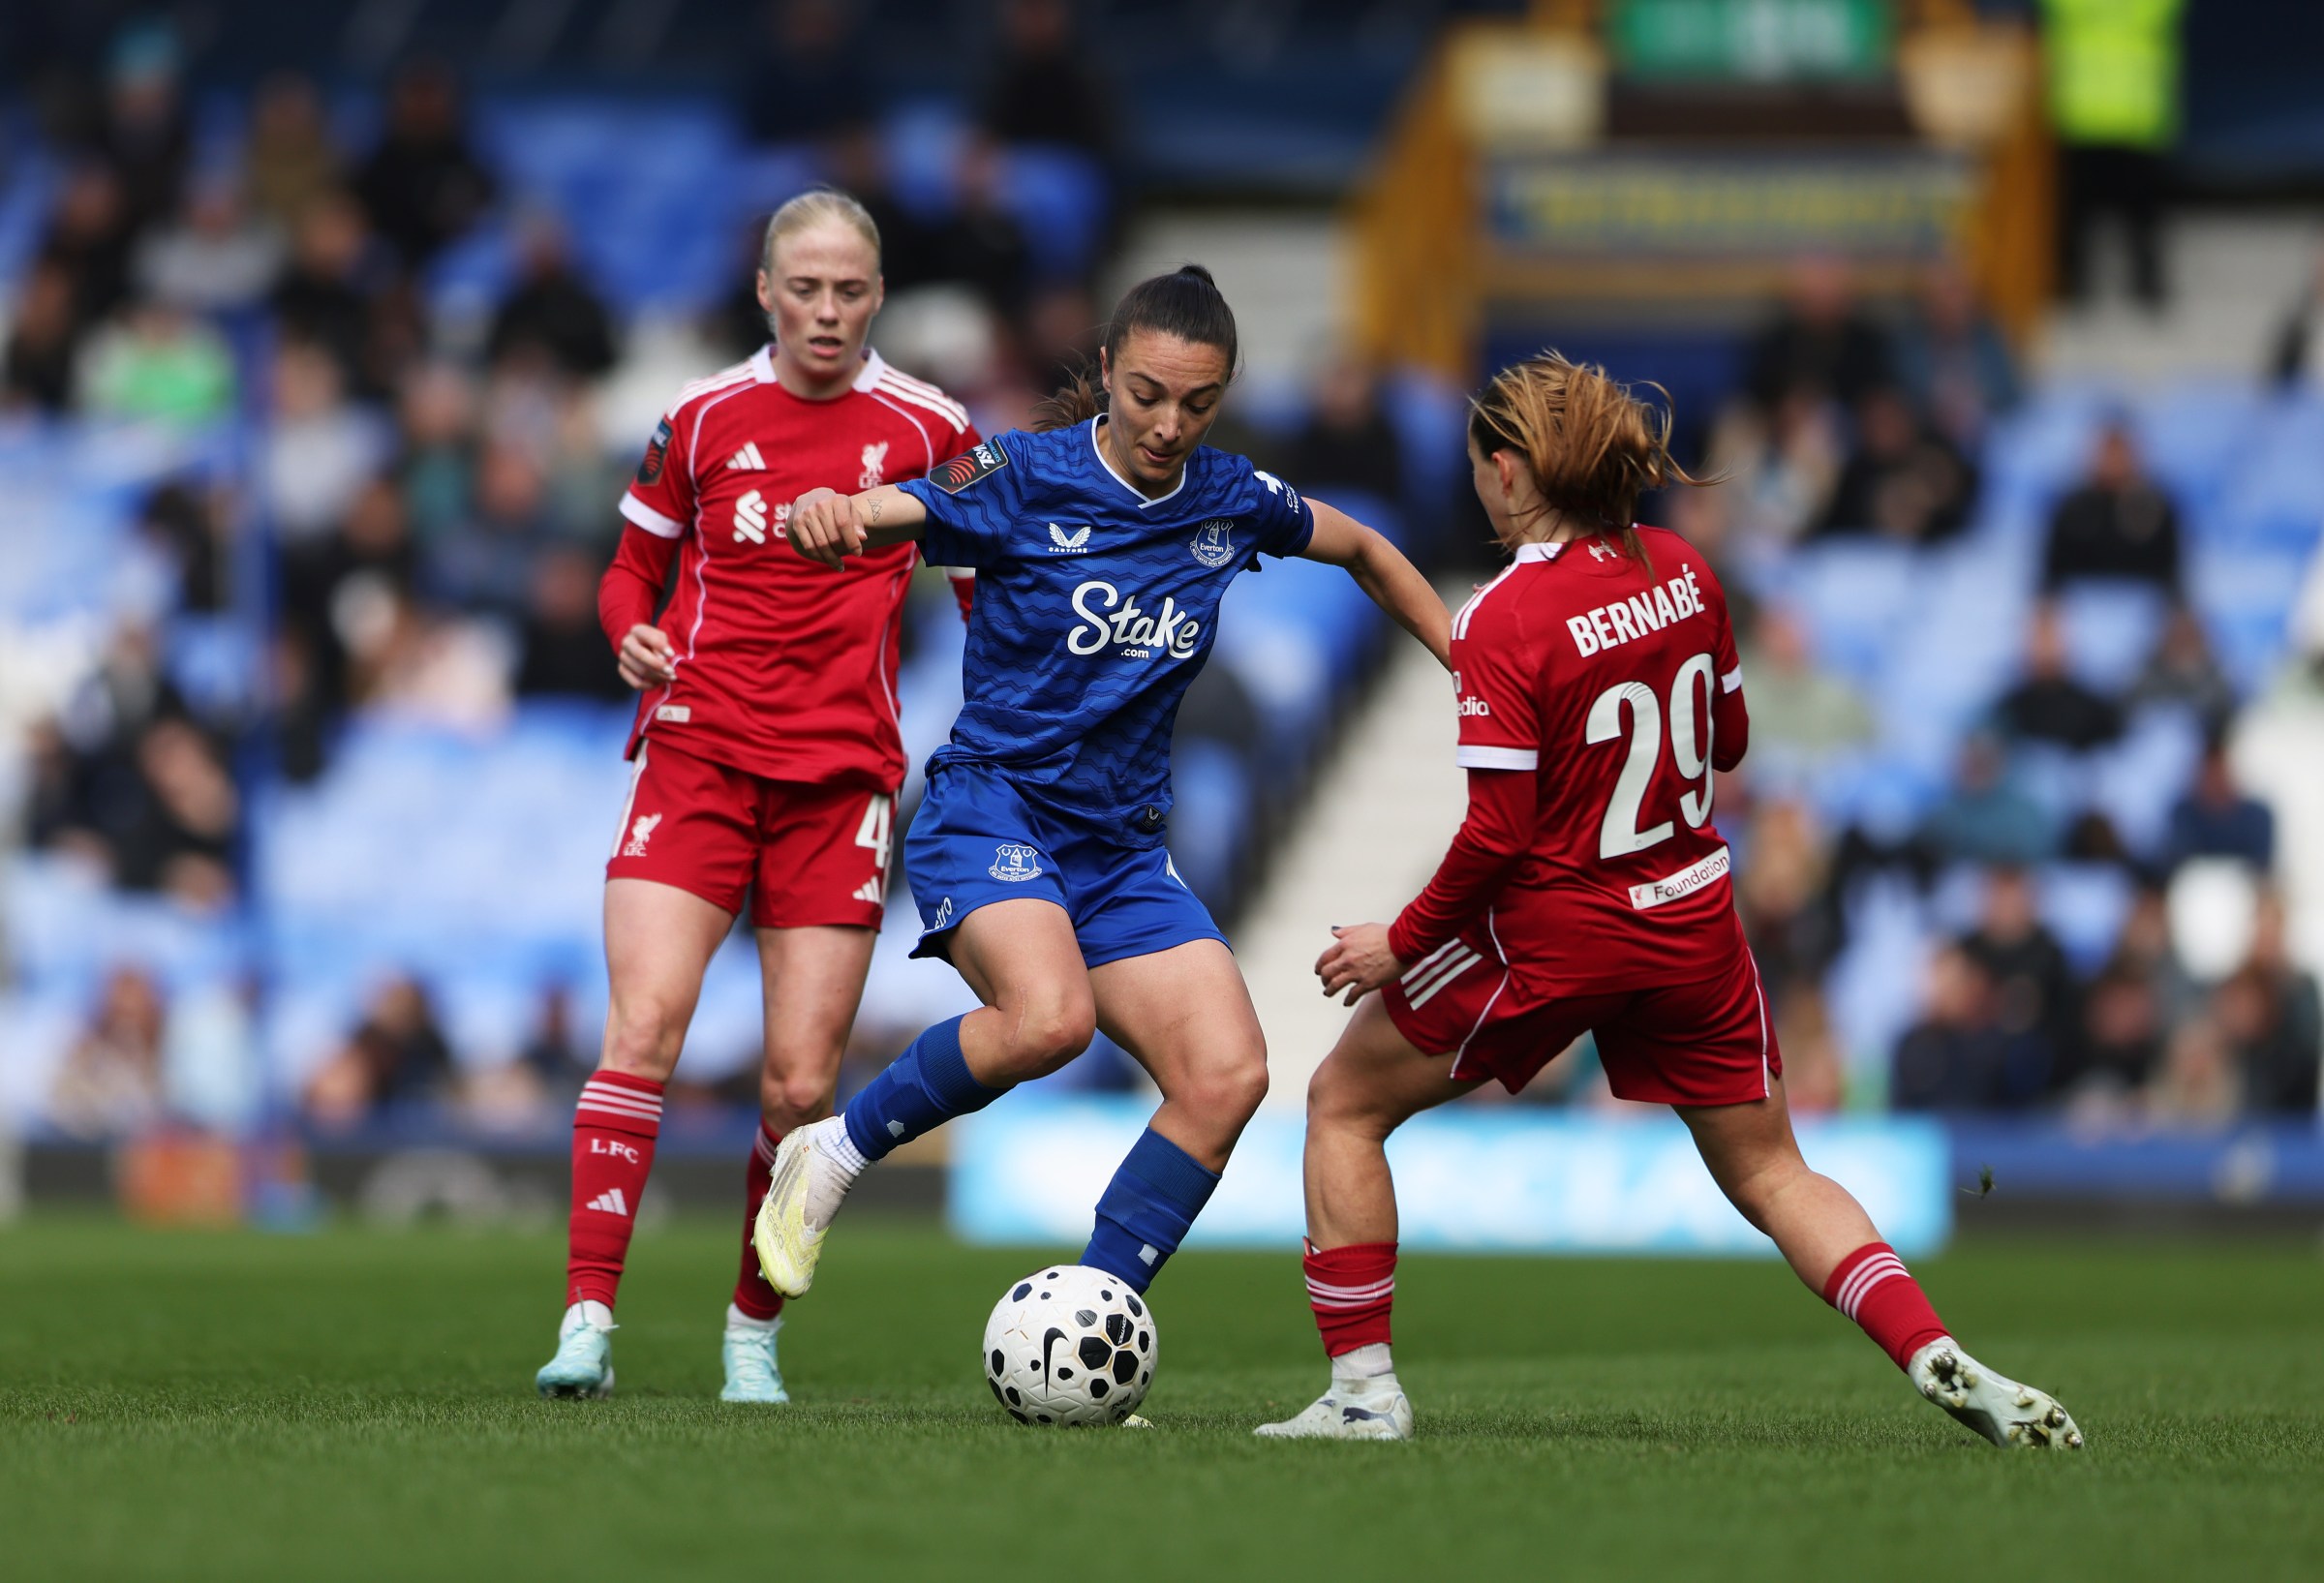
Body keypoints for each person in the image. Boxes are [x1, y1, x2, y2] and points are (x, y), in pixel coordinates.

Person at [1252, 352, 2081, 1450]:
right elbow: (1730, 742)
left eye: (1477, 469)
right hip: (1692, 917)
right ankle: (1931, 1348)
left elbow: (1497, 832)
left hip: (1560, 925)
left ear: (1506, 473)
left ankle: (1363, 1395)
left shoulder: (1507, 615)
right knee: (1776, 1170)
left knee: (1344, 1107)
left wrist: (1398, 945)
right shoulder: (1683, 567)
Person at [751, 266, 1451, 1388]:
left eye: (1198, 402)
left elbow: (1364, 548)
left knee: (1227, 1075)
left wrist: (1463, 661)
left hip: (1120, 849)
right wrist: (837, 515)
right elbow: (908, 508)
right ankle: (830, 1152)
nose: (1170, 424)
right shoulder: (1026, 474)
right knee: (1048, 1020)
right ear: (1110, 375)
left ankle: (1081, 1320)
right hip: (993, 807)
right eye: (1146, 395)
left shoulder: (1229, 498)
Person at [533, 190, 983, 1406]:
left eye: (850, 291)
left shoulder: (934, 429)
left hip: (839, 782)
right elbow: (631, 570)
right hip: (698, 756)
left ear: (877, 297)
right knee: (644, 1032)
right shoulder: (699, 417)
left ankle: (751, 1333)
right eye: (807, 290)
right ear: (766, 294)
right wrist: (631, 634)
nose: (828, 312)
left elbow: (995, 579)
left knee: (797, 1086)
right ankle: (587, 1318)